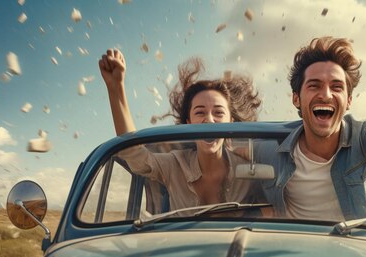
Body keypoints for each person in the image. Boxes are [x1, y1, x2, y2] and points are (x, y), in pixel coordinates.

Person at [258, 29, 366, 221]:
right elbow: (230, 150)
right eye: (314, 85)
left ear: (349, 101)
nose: (326, 95)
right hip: (293, 248)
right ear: (296, 98)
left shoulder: (363, 139)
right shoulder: (273, 149)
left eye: (337, 87)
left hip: (357, 249)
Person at [98, 49, 263, 210]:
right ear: (188, 122)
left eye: (219, 113)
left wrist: (255, 151)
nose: (210, 121)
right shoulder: (175, 165)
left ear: (231, 122)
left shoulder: (249, 169)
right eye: (200, 112)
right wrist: (116, 87)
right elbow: (136, 157)